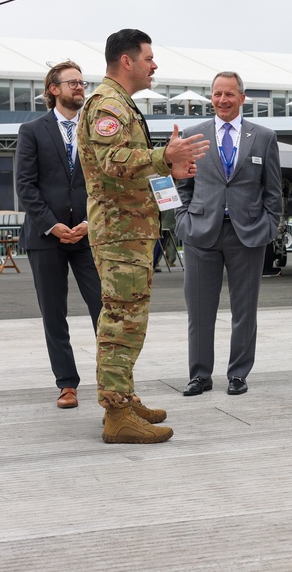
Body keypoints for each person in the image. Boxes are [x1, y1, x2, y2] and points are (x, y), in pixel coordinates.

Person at [78, 28, 210, 444]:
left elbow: (128, 167)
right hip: (120, 232)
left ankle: (123, 395)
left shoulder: (122, 104)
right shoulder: (108, 104)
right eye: (149, 57)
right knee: (121, 320)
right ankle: (116, 415)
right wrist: (162, 156)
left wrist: (168, 169)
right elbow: (112, 159)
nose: (155, 65)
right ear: (127, 61)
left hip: (131, 230)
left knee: (129, 319)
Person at [177, 72, 282, 397]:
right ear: (211, 96)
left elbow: (273, 191)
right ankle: (200, 375)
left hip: (247, 236)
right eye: (217, 94)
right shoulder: (193, 135)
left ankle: (238, 374)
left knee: (244, 310)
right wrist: (182, 220)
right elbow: (182, 184)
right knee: (199, 311)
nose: (222, 100)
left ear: (242, 97)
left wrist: (268, 226)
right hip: (200, 234)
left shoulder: (263, 137)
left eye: (229, 94)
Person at [16, 61, 102, 410]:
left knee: (104, 309)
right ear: (54, 89)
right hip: (45, 237)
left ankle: (112, 383)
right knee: (54, 314)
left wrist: (89, 223)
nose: (80, 88)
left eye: (83, 82)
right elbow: (25, 185)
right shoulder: (32, 130)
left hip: (88, 235)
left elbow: (105, 183)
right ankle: (67, 384)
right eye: (73, 83)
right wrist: (52, 224)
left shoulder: (96, 131)